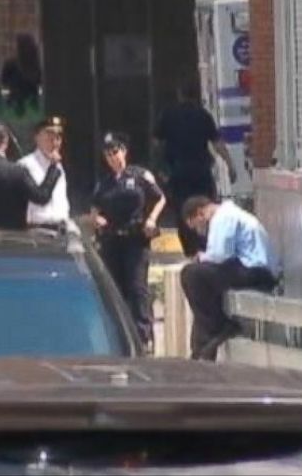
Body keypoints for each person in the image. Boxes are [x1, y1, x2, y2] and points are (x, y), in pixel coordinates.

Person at [91, 132, 167, 352]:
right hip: (112, 240)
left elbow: (160, 197)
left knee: (137, 287)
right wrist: (96, 218)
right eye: (107, 154)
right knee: (115, 288)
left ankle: (144, 335)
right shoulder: (104, 183)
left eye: (115, 152)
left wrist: (152, 219)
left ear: (124, 151)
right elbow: (94, 207)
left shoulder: (140, 175)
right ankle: (119, 335)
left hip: (136, 239)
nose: (112, 158)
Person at [180, 195, 280, 361]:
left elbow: (219, 255)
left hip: (256, 272)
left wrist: (200, 257)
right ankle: (205, 341)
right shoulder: (231, 214)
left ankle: (218, 326)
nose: (199, 232)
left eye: (196, 227)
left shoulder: (223, 217)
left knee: (191, 275)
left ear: (200, 214)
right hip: (254, 269)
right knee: (206, 286)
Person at [154, 80, 237, 257]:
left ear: (179, 94)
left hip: (178, 173)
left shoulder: (169, 115)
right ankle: (207, 247)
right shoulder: (203, 115)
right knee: (205, 208)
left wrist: (160, 168)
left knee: (182, 212)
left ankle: (190, 252)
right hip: (201, 173)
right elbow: (217, 143)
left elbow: (156, 144)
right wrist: (230, 165)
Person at [0, 121, 62, 230]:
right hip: (11, 237)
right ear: (6, 141)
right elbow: (41, 197)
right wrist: (53, 168)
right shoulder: (17, 171)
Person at [18, 116, 73, 233]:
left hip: (62, 229)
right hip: (38, 230)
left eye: (58, 138)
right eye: (49, 136)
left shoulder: (58, 166)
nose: (54, 142)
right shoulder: (25, 165)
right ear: (37, 138)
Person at [0, 34, 42, 117]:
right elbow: (39, 82)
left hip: (15, 105)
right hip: (32, 105)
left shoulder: (10, 64)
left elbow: (3, 81)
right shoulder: (35, 65)